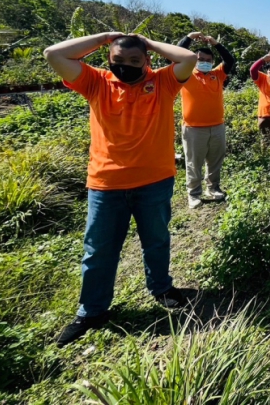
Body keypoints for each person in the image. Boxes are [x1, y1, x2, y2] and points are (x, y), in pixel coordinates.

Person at [43, 32, 197, 347]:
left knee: (156, 241)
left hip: (154, 180)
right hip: (106, 183)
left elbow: (188, 58)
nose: (125, 66)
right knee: (99, 250)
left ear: (147, 62)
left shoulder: (163, 84)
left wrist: (147, 43)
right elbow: (53, 54)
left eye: (134, 61)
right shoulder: (95, 82)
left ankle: (162, 289)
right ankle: (92, 311)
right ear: (108, 60)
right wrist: (105, 38)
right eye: (119, 61)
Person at [177, 32, 236, 209]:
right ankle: (193, 194)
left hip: (217, 126)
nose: (204, 62)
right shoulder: (186, 74)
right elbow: (176, 54)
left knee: (215, 161)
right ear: (194, 60)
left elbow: (230, 60)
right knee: (194, 163)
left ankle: (213, 188)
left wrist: (215, 43)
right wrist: (188, 37)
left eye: (208, 60)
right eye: (200, 58)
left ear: (212, 62)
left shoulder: (217, 74)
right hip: (194, 129)